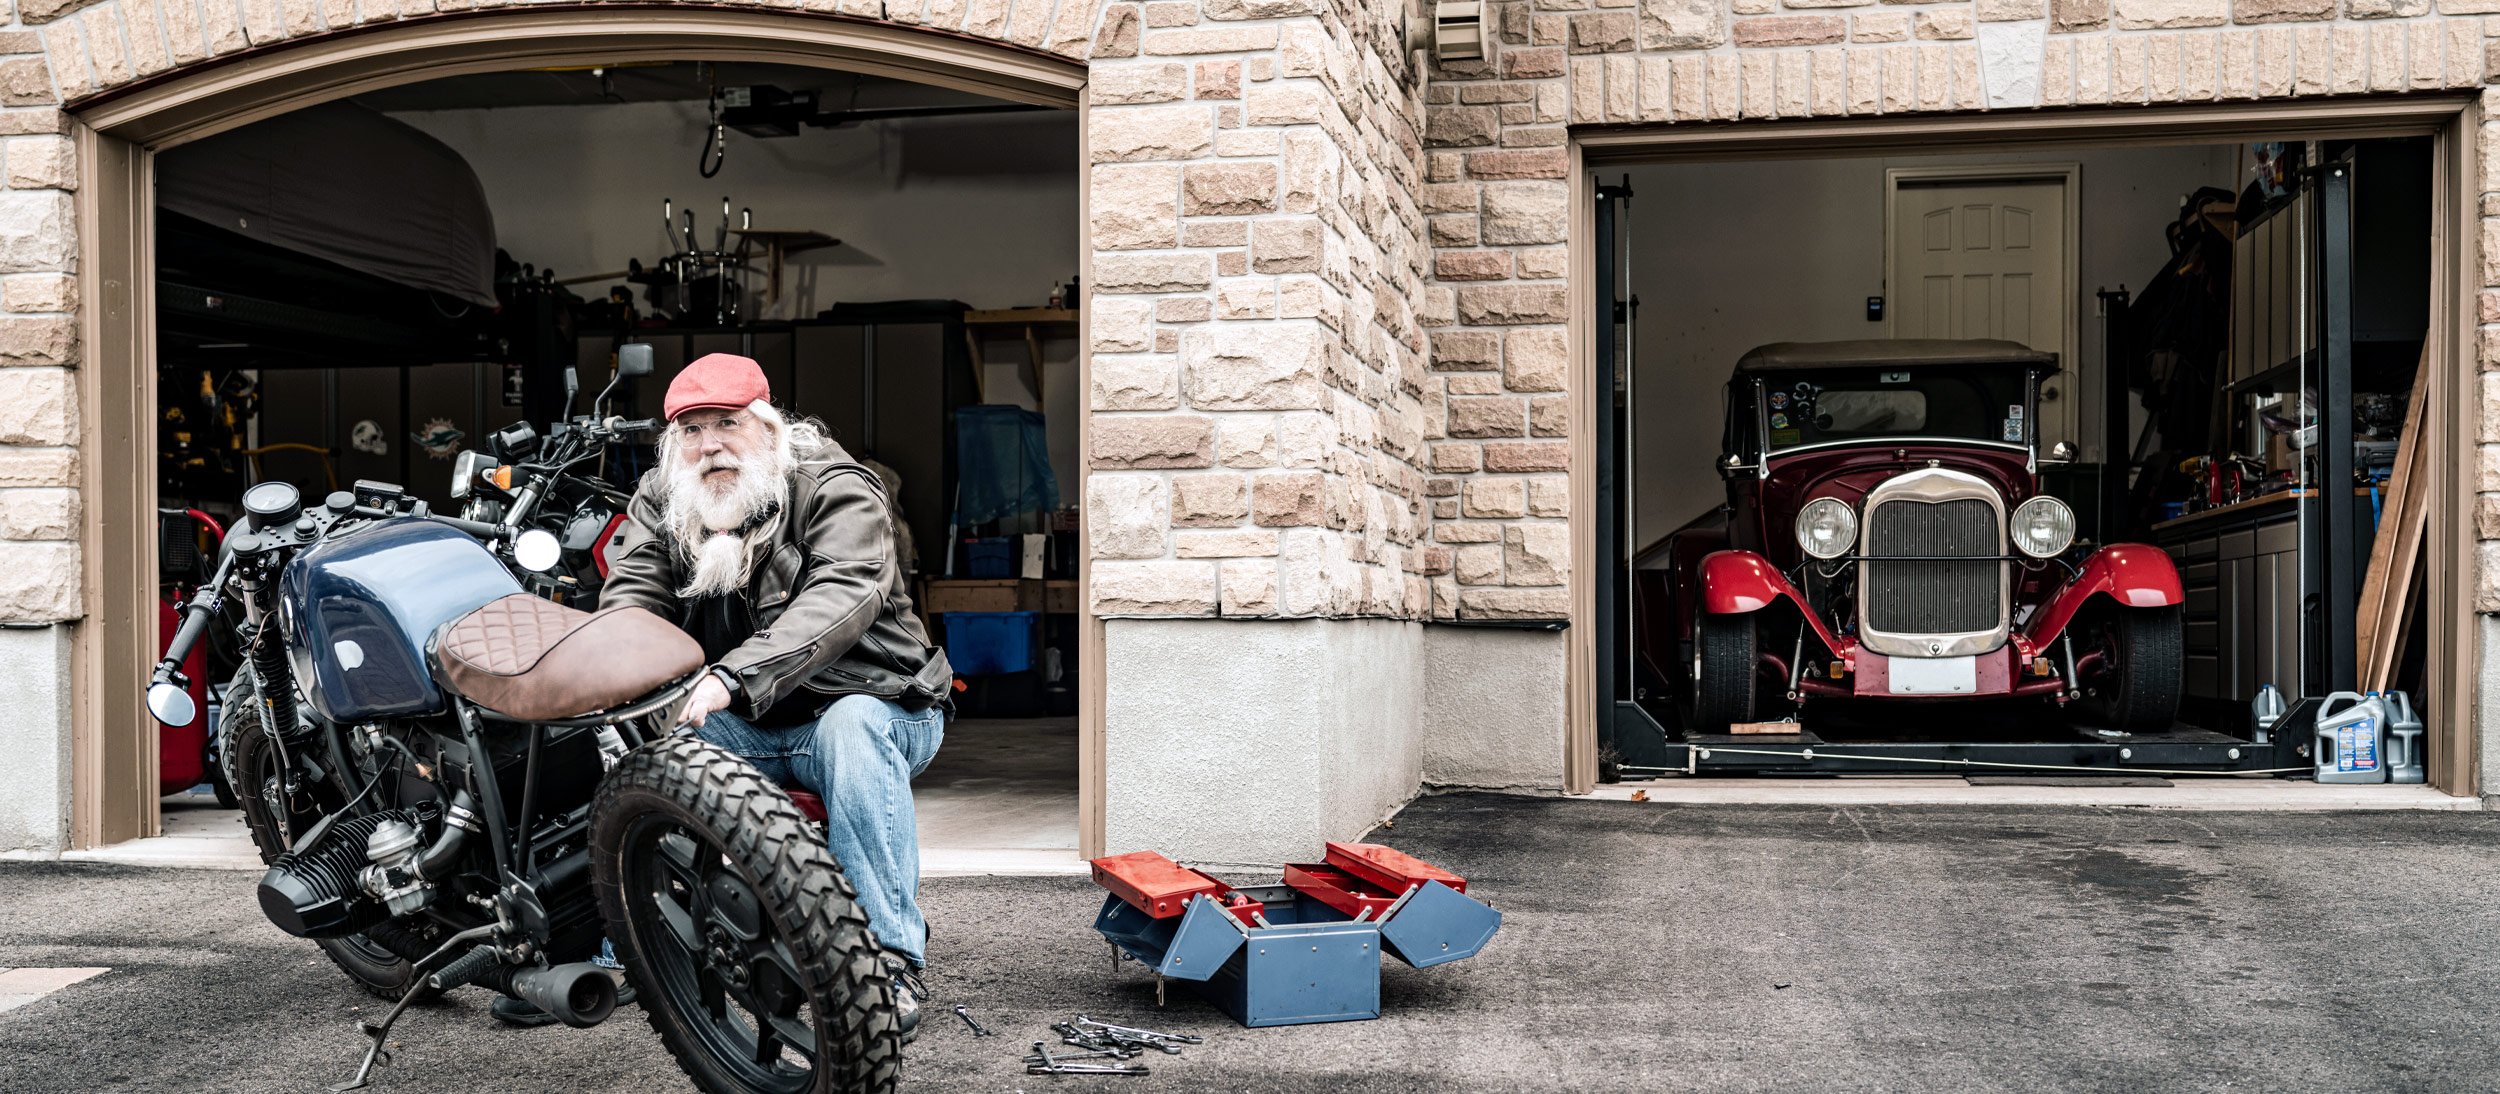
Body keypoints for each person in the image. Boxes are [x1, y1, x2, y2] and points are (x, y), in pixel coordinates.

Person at [492, 351, 953, 1038]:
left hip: (878, 702)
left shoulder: (836, 486)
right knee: (627, 747)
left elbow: (842, 595)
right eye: (693, 430)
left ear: (766, 427)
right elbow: (634, 597)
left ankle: (885, 963)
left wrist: (733, 678)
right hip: (752, 723)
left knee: (853, 728)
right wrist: (595, 678)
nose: (710, 446)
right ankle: (630, 942)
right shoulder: (666, 497)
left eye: (726, 424)